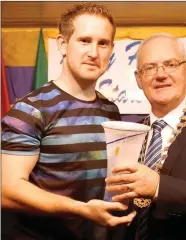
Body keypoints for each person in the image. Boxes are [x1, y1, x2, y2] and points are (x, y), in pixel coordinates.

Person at [1, 3, 135, 240]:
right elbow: (6, 191)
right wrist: (82, 210)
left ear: (111, 49)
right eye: (84, 40)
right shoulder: (31, 109)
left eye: (103, 43)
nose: (94, 52)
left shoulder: (111, 111)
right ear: (63, 44)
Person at [105, 33, 186, 240]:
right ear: (139, 79)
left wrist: (159, 186)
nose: (161, 75)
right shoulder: (129, 135)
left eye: (170, 64)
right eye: (150, 68)